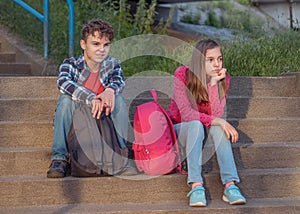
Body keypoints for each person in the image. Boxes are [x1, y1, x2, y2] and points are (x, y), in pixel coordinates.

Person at [47, 19, 134, 178]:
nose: (101, 50)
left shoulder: (113, 64)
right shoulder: (71, 64)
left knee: (119, 100)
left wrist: (109, 90)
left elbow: (118, 81)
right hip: (79, 120)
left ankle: (121, 156)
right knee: (65, 101)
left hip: (103, 119)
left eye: (106, 45)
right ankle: (59, 158)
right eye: (95, 44)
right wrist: (91, 98)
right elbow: (63, 83)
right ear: (83, 44)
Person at [168, 39, 246, 206]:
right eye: (210, 60)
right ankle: (196, 185)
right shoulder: (182, 74)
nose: (217, 64)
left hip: (205, 129)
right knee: (199, 125)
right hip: (180, 129)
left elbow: (217, 114)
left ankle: (230, 185)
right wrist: (217, 121)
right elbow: (187, 114)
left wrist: (213, 84)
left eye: (219, 59)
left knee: (219, 129)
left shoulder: (223, 78)